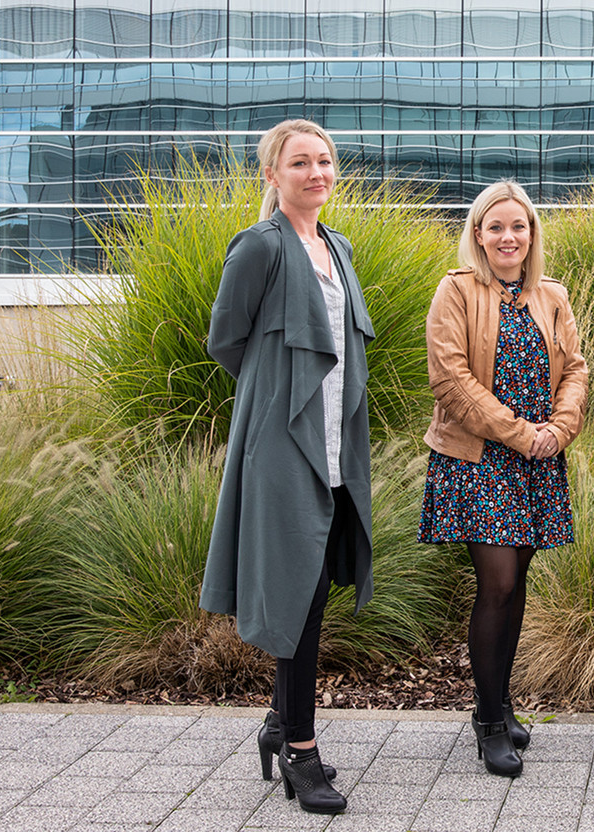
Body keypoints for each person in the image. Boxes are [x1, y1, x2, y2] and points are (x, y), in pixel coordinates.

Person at [200, 119, 375, 815]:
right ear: (272, 174)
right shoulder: (260, 246)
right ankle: (302, 750)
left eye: (324, 161)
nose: (316, 173)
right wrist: (274, 401)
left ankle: (279, 722)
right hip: (282, 447)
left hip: (336, 446)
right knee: (295, 598)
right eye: (300, 162)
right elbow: (227, 340)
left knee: (314, 590)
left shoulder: (339, 246)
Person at [419, 180, 588, 778]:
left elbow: (575, 370)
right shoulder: (457, 289)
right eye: (496, 227)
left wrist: (559, 429)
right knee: (497, 584)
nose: (508, 237)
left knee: (517, 587)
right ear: (478, 234)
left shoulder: (551, 295)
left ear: (532, 234)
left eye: (519, 226)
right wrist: (520, 433)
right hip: (478, 460)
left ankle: (500, 702)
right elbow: (450, 378)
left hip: (538, 460)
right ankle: (489, 722)